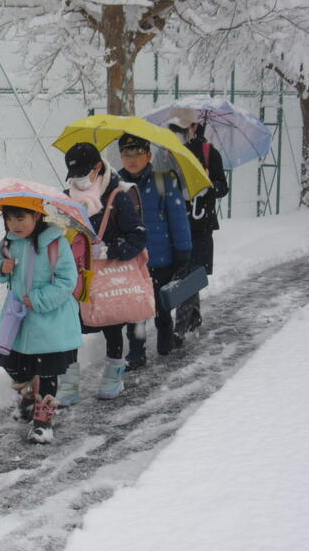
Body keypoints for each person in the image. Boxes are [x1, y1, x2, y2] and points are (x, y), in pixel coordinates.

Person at [56, 142, 148, 404]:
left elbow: (139, 236)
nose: (78, 181)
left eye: (83, 174)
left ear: (97, 168)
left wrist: (109, 250)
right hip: (74, 276)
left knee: (111, 324)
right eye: (74, 176)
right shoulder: (66, 198)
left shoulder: (117, 197)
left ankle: (112, 376)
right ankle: (69, 383)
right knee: (70, 327)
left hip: (107, 277)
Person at [0, 196, 82, 444]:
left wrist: (39, 299)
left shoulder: (55, 243)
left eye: (20, 218)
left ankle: (43, 422)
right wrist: (1, 268)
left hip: (50, 321)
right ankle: (28, 397)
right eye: (9, 219)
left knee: (47, 373)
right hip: (17, 318)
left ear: (37, 216)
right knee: (13, 364)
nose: (14, 225)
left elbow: (67, 281)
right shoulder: (8, 243)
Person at [117, 133, 192, 369]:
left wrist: (183, 252)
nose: (132, 159)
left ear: (149, 156)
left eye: (138, 153)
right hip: (132, 260)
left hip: (161, 258)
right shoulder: (116, 185)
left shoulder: (163, 181)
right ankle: (136, 353)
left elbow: (178, 219)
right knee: (134, 309)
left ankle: (165, 340)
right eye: (127, 154)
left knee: (161, 307)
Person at [163, 108, 229, 346]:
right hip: (176, 224)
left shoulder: (209, 153)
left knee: (191, 274)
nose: (178, 133)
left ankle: (180, 327)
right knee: (185, 273)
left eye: (181, 129)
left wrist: (209, 184)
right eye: (173, 129)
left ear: (193, 127)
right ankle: (194, 316)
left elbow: (223, 187)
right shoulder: (169, 153)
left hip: (201, 224)